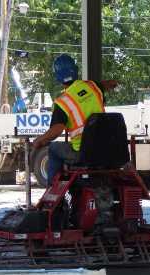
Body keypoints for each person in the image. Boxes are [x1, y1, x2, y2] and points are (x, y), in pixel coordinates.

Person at [32, 55, 118, 185]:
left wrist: (39, 140)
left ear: (57, 77)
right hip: (106, 148)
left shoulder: (62, 103)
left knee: (53, 148)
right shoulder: (91, 86)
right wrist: (112, 83)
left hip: (83, 153)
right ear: (76, 70)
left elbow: (56, 130)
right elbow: (106, 84)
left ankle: (53, 189)